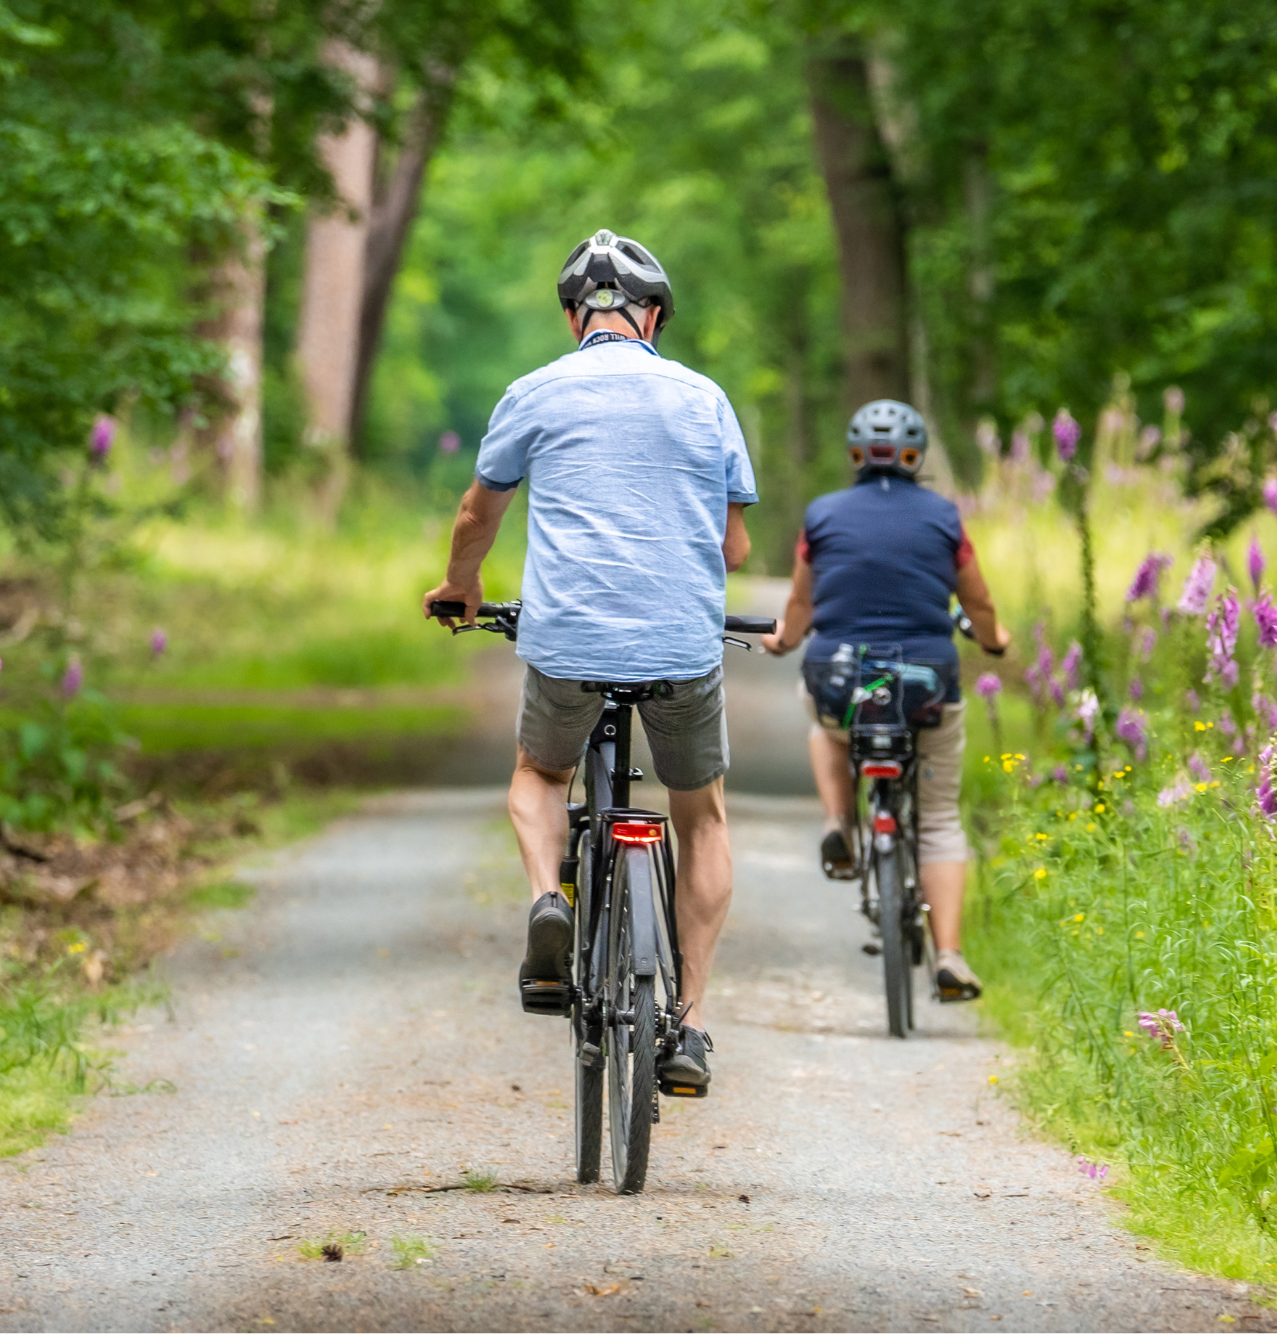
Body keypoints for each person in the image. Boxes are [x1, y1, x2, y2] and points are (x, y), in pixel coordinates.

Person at [423, 229, 756, 1095]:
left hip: (568, 640)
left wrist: (462, 587)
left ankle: (549, 901)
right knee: (704, 817)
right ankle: (688, 1025)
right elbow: (736, 542)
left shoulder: (534, 392)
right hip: (682, 644)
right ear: (653, 317)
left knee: (540, 774)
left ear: (576, 317)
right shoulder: (704, 397)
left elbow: (475, 515)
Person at [760, 400, 1009, 1002]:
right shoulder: (945, 517)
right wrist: (996, 641)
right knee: (942, 818)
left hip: (840, 679)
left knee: (822, 720)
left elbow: (800, 605)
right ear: (915, 456)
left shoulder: (821, 515)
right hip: (926, 682)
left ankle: (839, 821)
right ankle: (949, 955)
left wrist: (785, 641)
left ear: (854, 456)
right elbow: (977, 603)